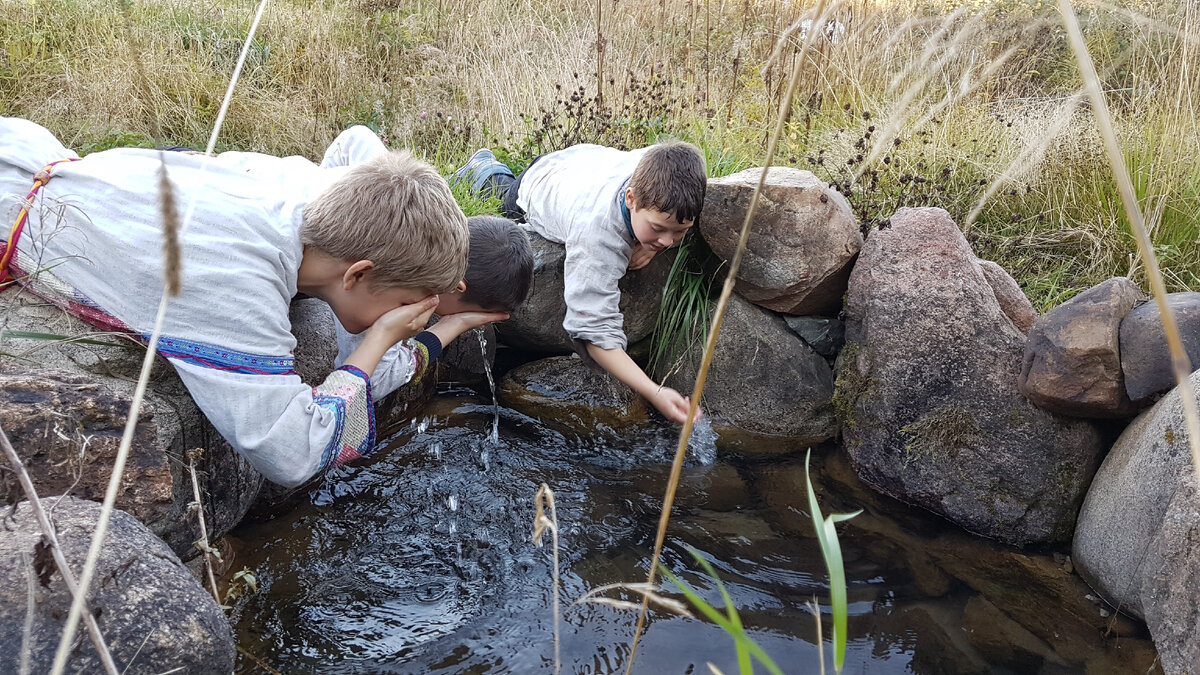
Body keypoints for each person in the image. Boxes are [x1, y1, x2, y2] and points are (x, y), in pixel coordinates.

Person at [0, 118, 508, 487]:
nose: (411, 318)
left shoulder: (306, 198)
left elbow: (361, 147)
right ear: (358, 274)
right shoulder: (234, 284)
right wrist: (376, 341)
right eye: (407, 304)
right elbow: (293, 455)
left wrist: (439, 327)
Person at [453, 141, 708, 424]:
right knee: (502, 193)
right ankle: (483, 167)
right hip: (541, 181)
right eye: (658, 229)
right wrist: (653, 390)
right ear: (630, 199)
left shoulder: (663, 175)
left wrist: (649, 243)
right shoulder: (596, 234)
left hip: (583, 164)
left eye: (679, 232)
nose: (667, 241)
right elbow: (593, 330)